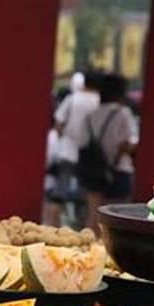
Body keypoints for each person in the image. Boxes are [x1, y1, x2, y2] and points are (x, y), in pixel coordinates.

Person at [80, 74, 139, 233]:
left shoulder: (91, 116)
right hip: (118, 170)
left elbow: (83, 143)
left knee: (93, 215)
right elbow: (128, 143)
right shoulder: (123, 113)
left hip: (93, 171)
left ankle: (88, 249)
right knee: (115, 219)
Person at [44, 71, 101, 226]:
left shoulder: (72, 99)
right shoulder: (99, 101)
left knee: (60, 191)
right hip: (90, 155)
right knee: (90, 197)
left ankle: (53, 228)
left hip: (67, 152)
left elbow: (58, 124)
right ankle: (87, 232)